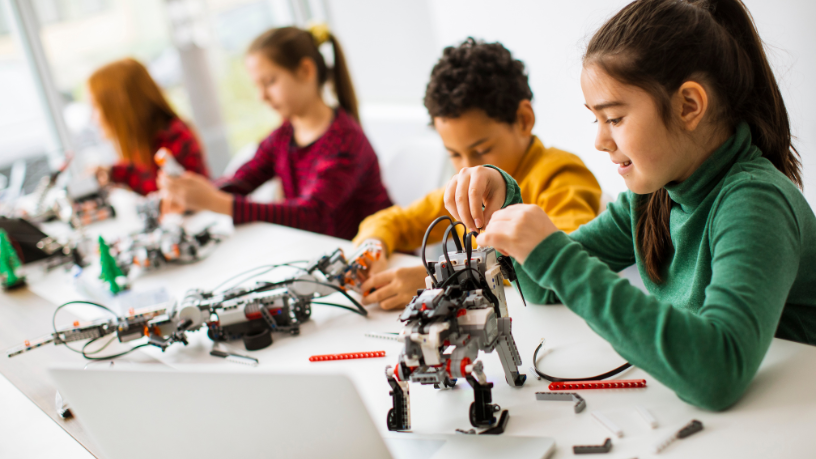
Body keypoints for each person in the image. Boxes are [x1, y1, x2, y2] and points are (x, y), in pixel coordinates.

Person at [443, 0, 816, 411]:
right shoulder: (652, 197)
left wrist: (554, 255)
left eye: (615, 119)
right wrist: (507, 204)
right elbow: (546, 286)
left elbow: (718, 374)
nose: (600, 141)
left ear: (689, 106)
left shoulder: (756, 203)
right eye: (596, 120)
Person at [355, 38, 601, 310]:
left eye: (481, 150)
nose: (466, 167)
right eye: (454, 153)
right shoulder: (470, 185)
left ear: (523, 120)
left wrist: (445, 279)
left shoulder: (560, 175)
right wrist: (372, 247)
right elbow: (395, 221)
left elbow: (563, 260)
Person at [160, 25, 392, 240]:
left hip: (378, 264)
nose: (262, 96)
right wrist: (192, 195)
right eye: (257, 86)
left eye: (269, 82)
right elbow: (242, 180)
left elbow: (311, 215)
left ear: (306, 71)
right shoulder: (283, 136)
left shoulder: (345, 140)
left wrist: (215, 201)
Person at [88, 58, 209, 196]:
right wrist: (111, 173)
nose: (93, 117)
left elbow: (170, 193)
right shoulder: (141, 144)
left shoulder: (175, 136)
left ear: (119, 107)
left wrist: (116, 173)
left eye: (95, 107)